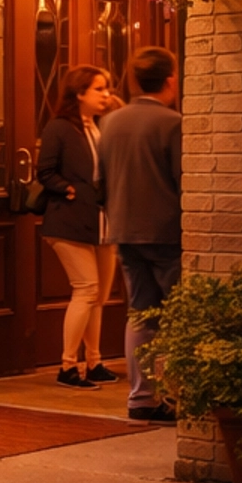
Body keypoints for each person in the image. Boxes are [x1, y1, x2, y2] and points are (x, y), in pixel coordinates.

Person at [98, 44, 182, 424]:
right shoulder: (173, 123)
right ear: (170, 79)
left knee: (141, 313)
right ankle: (183, 397)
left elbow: (99, 182)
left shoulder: (111, 123)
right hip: (167, 233)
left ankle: (140, 398)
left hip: (125, 229)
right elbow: (187, 183)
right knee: (181, 315)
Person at [35, 64, 120, 389]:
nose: (105, 94)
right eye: (99, 89)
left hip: (101, 220)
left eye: (107, 88)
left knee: (98, 296)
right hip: (68, 220)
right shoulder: (59, 127)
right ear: (79, 93)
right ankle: (68, 366)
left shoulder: (100, 126)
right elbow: (46, 171)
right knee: (86, 289)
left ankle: (94, 361)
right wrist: (68, 189)